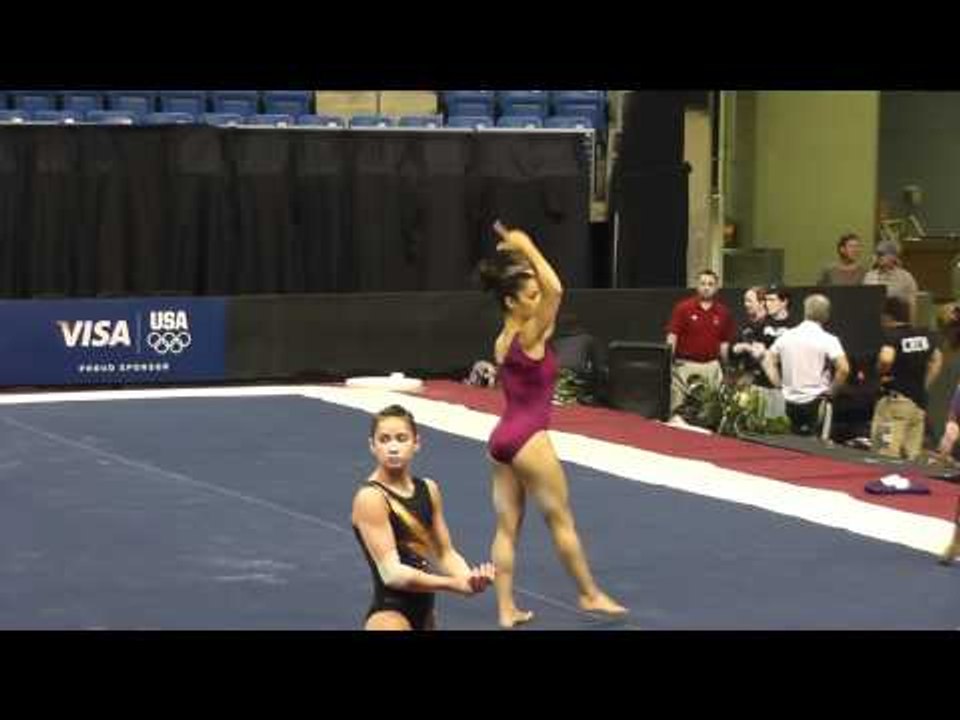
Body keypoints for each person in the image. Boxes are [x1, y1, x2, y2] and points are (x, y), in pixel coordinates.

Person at [479, 220, 627, 628]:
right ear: (511, 302)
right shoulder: (530, 333)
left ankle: (505, 609)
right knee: (560, 520)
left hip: (501, 439)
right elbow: (558, 289)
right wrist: (527, 245)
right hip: (529, 437)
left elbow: (548, 293)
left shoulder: (503, 338)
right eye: (530, 295)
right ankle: (589, 593)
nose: (539, 297)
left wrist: (523, 264)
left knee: (507, 528)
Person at [352, 404, 495, 630]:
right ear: (372, 446)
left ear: (416, 443)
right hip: (389, 617)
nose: (393, 448)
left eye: (401, 438)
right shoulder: (371, 497)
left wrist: (469, 579)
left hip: (425, 614)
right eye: (384, 439)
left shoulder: (429, 489)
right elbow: (392, 574)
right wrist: (454, 584)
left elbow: (444, 552)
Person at [762, 294, 850, 436]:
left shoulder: (787, 336)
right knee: (815, 451)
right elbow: (844, 369)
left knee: (786, 447)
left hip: (787, 402)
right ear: (826, 315)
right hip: (816, 402)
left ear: (805, 312)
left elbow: (767, 360)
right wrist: (832, 391)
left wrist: (778, 384)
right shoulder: (829, 340)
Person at [870, 296, 942, 461]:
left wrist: (880, 372)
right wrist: (925, 383)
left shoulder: (892, 336)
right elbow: (937, 358)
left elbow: (886, 358)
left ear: (887, 316)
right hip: (918, 405)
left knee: (886, 455)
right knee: (912, 457)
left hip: (895, 404)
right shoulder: (924, 336)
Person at [665, 269, 736, 414]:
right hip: (685, 366)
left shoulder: (723, 312)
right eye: (703, 283)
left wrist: (727, 368)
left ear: (716, 288)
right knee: (678, 407)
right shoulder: (683, 308)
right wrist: (669, 362)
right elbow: (672, 337)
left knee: (712, 410)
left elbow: (724, 343)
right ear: (697, 286)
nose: (706, 287)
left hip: (712, 366)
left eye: (710, 284)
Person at [863, 240, 919, 311]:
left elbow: (912, 304)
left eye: (883, 254)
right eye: (878, 254)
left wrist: (911, 322)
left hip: (898, 318)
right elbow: (865, 302)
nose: (880, 257)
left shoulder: (905, 277)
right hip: (874, 318)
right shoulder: (869, 276)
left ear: (894, 256)